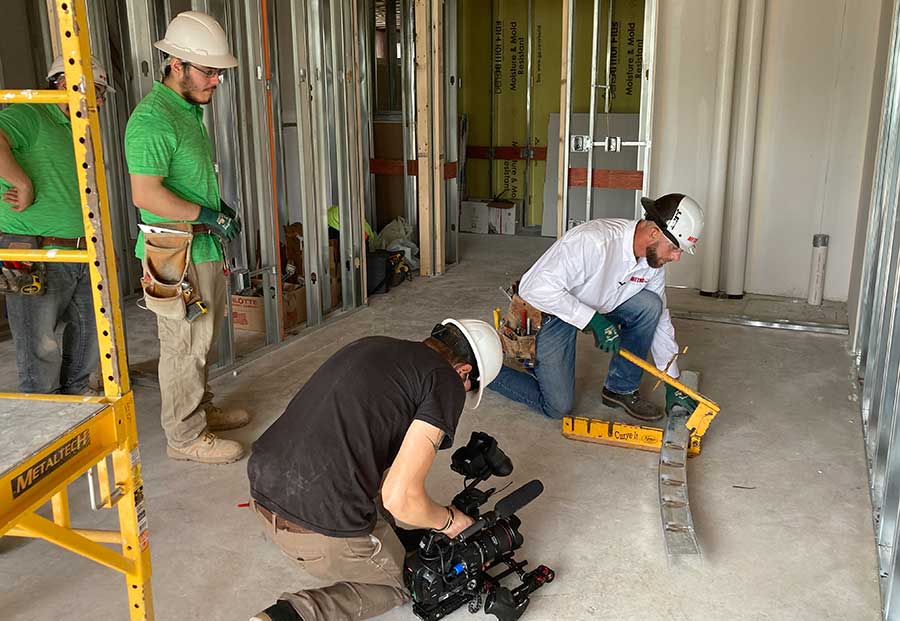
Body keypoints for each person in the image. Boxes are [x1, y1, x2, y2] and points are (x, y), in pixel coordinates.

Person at [247, 319, 503, 621]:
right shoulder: (445, 380)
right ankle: (291, 616)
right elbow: (400, 498)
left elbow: (375, 460)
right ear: (464, 371)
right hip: (315, 527)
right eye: (468, 389)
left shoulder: (373, 344)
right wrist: (449, 522)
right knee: (410, 584)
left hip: (263, 493)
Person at [125, 11, 247, 464]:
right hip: (170, 249)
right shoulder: (153, 119)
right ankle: (185, 436)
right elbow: (146, 192)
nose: (216, 80)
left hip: (197, 244)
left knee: (202, 336)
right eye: (209, 71)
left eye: (217, 72)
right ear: (177, 65)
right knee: (182, 343)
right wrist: (207, 215)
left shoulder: (185, 111)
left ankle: (201, 409)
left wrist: (214, 214)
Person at [489, 193, 705, 422]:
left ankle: (620, 389)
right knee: (557, 406)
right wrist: (593, 320)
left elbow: (660, 319)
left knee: (651, 306)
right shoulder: (594, 241)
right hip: (549, 311)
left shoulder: (653, 263)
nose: (676, 257)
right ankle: (486, 370)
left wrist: (672, 380)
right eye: (674, 248)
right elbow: (535, 288)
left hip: (598, 302)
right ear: (654, 233)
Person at [0, 56, 114, 394]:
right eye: (98, 91)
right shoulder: (31, 114)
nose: (101, 102)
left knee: (92, 337)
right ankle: (45, 421)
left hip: (82, 249)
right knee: (40, 348)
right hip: (34, 250)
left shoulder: (81, 132)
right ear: (64, 83)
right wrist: (22, 183)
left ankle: (75, 403)